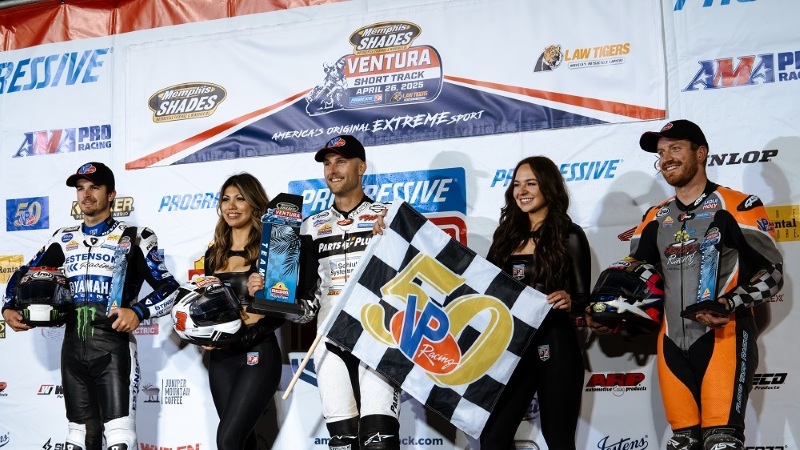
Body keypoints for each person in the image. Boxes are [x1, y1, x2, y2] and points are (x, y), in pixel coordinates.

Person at [589, 120, 784, 450]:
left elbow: (773, 275)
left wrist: (728, 304)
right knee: (683, 442)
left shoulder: (737, 205)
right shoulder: (654, 217)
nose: (666, 158)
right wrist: (612, 313)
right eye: (661, 153)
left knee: (722, 441)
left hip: (724, 337)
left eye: (675, 148)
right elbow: (637, 281)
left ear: (701, 153)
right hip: (670, 344)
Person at [1, 161, 179, 450]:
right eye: (81, 188)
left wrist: (138, 311)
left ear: (111, 194)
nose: (86, 194)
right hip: (72, 349)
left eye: (95, 187)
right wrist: (8, 307)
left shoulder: (135, 237)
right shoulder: (63, 238)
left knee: (120, 439)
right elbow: (23, 274)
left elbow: (170, 287)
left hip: (114, 349)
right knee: (79, 439)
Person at [250, 135, 401, 450]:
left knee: (380, 440)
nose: (333, 170)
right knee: (342, 442)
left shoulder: (390, 216)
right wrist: (270, 296)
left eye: (341, 161)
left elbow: (418, 279)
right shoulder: (309, 227)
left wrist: (395, 241)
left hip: (381, 338)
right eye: (328, 163)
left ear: (361, 168)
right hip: (329, 341)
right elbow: (307, 308)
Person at [480, 156, 590, 450]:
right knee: (492, 439)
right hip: (510, 347)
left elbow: (584, 299)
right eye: (517, 184)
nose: (522, 191)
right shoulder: (504, 236)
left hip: (556, 344)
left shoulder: (570, 235)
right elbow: (485, 289)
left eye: (531, 183)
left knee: (559, 440)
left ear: (548, 187)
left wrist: (569, 300)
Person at [202, 173, 284, 450]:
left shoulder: (273, 250)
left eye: (240, 199)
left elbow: (281, 312)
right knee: (242, 443)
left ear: (254, 204)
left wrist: (262, 293)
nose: (231, 206)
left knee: (228, 441)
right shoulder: (214, 254)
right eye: (226, 199)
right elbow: (209, 307)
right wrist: (203, 334)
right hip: (221, 358)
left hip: (257, 352)